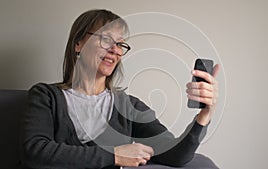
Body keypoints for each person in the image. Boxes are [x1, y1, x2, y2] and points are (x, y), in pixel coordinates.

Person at [21, 9, 220, 169]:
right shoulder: (45, 96)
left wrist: (205, 115)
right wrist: (115, 155)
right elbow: (36, 152)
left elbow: (177, 156)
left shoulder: (129, 106)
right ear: (78, 44)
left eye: (120, 44)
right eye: (106, 39)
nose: (115, 50)